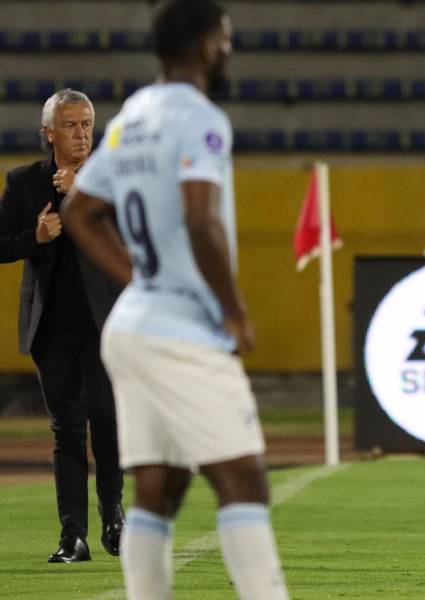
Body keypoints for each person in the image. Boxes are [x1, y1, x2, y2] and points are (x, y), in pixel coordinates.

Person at [60, 1, 288, 598]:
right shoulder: (200, 117)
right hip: (184, 332)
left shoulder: (132, 116)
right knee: (244, 481)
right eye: (227, 41)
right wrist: (234, 310)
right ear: (208, 45)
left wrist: (136, 279)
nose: (229, 51)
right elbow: (200, 217)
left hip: (132, 328)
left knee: (158, 488)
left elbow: (79, 209)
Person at [0, 89, 124, 563]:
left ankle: (114, 514)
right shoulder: (24, 182)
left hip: (104, 323)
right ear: (48, 132)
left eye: (87, 124)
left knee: (108, 422)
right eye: (70, 125)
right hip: (51, 328)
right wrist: (35, 236)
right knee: (66, 430)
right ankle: (73, 535)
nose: (82, 134)